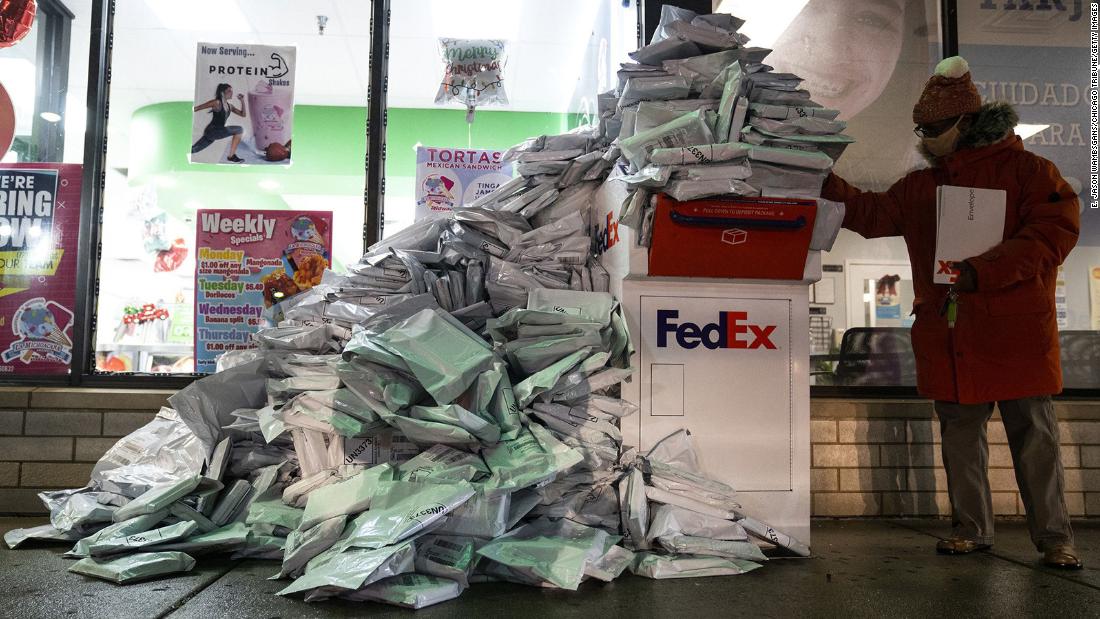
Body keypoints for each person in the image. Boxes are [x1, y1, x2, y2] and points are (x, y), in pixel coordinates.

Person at [821, 56, 1082, 569]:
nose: (928, 136)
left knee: (1033, 438)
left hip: (1012, 335)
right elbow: (871, 214)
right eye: (923, 129)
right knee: (967, 437)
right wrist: (821, 176)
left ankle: (1055, 539)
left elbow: (1053, 234)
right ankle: (972, 529)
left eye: (936, 128)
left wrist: (983, 270)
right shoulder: (925, 185)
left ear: (966, 123)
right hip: (956, 333)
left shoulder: (1032, 172)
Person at [191, 83, 247, 163]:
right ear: (222, 93)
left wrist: (242, 101)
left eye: (232, 91)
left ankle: (180, 150)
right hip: (212, 131)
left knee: (194, 150)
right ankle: (231, 156)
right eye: (229, 91)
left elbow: (243, 114)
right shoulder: (217, 103)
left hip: (216, 133)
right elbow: (197, 108)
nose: (231, 93)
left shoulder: (230, 106)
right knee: (239, 129)